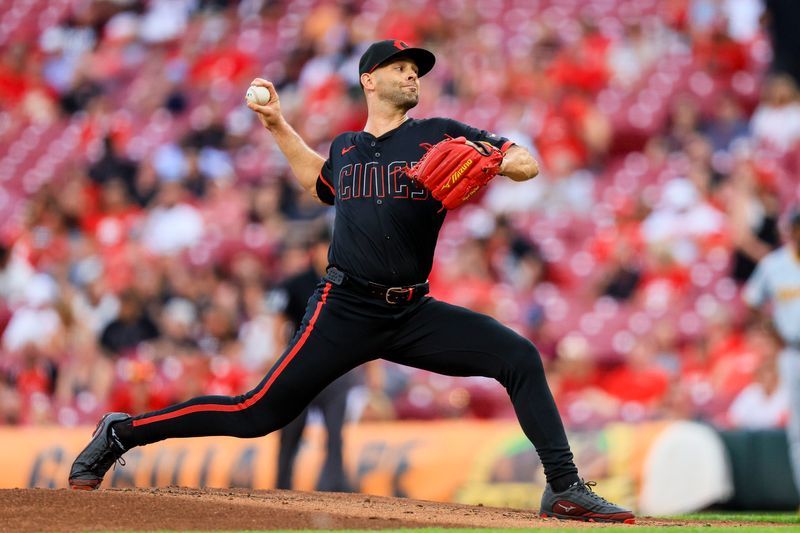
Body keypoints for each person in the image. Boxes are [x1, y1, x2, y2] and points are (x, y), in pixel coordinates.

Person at [68, 39, 634, 523]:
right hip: (344, 307)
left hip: (412, 312)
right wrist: (277, 124)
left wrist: (495, 163)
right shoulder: (347, 146)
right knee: (257, 414)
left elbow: (526, 160)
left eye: (417, 69)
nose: (413, 73)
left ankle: (563, 488)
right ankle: (123, 431)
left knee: (518, 356)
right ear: (369, 79)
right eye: (400, 66)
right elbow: (318, 180)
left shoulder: (438, 133)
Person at [268, 229, 354, 492]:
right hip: (300, 368)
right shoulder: (295, 283)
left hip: (335, 370)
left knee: (335, 433)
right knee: (290, 432)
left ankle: (336, 489)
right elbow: (279, 320)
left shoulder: (347, 281)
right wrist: (279, 356)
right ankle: (281, 487)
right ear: (313, 249)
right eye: (325, 246)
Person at [743, 211, 800, 493]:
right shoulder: (775, 264)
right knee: (798, 429)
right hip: (793, 350)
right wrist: (774, 330)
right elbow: (752, 300)